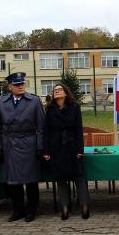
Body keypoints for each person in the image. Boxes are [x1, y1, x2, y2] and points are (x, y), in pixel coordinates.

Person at [0, 72, 45, 222]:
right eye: (17, 84)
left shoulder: (34, 101)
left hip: (28, 143)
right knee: (13, 181)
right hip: (9, 144)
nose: (20, 86)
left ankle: (32, 209)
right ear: (10, 87)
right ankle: (18, 209)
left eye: (22, 84)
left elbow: (42, 126)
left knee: (30, 180)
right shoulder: (2, 102)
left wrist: (40, 146)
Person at [43, 83, 89, 220]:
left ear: (65, 92)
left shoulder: (75, 107)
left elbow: (78, 129)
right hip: (56, 147)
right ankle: (65, 207)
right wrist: (46, 151)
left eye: (59, 89)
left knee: (78, 177)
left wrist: (80, 149)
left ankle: (84, 206)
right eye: (55, 90)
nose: (56, 91)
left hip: (72, 145)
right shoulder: (49, 109)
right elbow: (46, 131)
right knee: (61, 178)